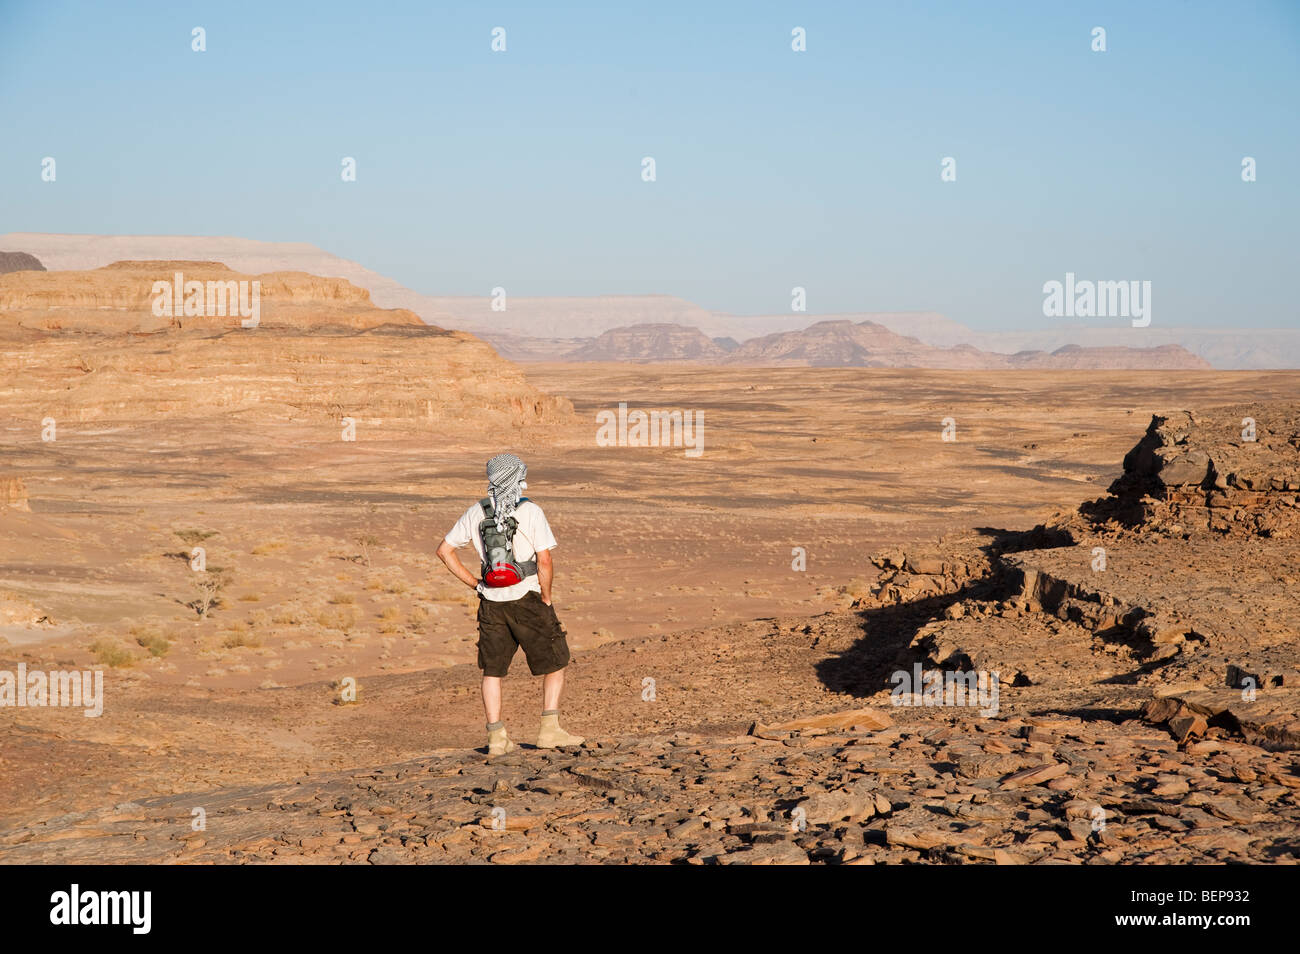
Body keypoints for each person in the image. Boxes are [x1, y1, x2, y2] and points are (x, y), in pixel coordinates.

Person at [435, 453, 584, 755]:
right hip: (528, 597)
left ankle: (496, 738)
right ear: (517, 477)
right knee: (555, 660)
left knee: (493, 670)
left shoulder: (476, 512)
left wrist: (476, 584)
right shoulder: (530, 511)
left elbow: (444, 551)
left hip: (491, 601)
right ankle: (549, 729)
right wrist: (546, 596)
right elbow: (544, 560)